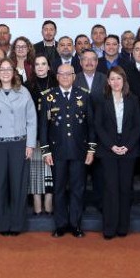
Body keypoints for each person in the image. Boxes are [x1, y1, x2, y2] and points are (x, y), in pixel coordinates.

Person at [0, 57, 37, 236]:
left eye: (8, 69)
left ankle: (17, 224)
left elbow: (32, 120)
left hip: (19, 143)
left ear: (14, 72)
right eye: (2, 69)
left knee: (18, 185)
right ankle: (1, 224)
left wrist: (30, 144)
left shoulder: (24, 92)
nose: (5, 72)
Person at [39, 64, 96, 238]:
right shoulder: (48, 97)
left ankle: (75, 224)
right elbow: (43, 127)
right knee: (59, 189)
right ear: (57, 76)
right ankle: (61, 225)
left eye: (68, 74)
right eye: (61, 74)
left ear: (74, 76)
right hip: (57, 152)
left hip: (79, 150)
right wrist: (46, 151)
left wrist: (91, 149)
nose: (64, 77)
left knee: (78, 189)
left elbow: (91, 126)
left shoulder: (84, 95)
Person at [93, 67, 140, 239]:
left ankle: (123, 226)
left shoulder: (133, 99)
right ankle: (109, 227)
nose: (115, 82)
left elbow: (138, 126)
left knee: (125, 189)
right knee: (110, 188)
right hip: (108, 150)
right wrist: (112, 145)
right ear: (108, 81)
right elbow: (98, 126)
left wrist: (127, 146)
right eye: (112, 79)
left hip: (129, 150)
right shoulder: (101, 99)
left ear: (124, 80)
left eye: (118, 78)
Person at [24, 55, 56, 216]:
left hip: (54, 134)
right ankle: (37, 202)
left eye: (44, 63)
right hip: (33, 133)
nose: (41, 67)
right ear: (33, 67)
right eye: (37, 64)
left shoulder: (57, 83)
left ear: (49, 66)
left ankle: (49, 202)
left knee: (50, 169)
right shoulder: (26, 86)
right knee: (35, 169)